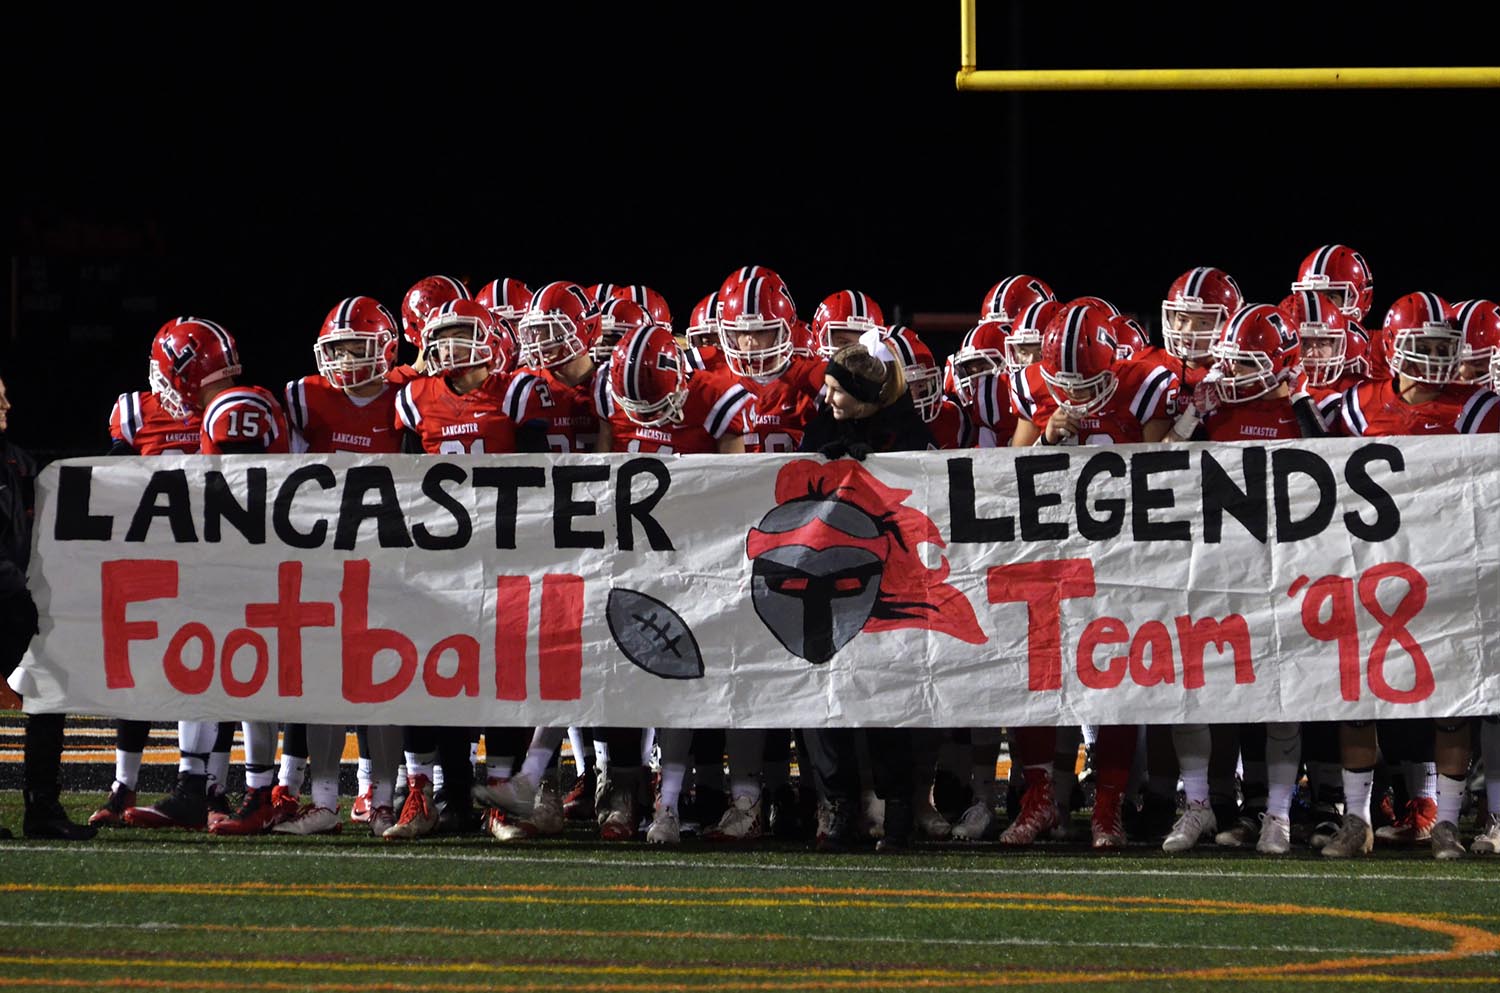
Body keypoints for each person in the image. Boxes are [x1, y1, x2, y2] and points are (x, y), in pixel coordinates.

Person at [796, 334, 932, 853]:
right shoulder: (822, 427)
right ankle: (837, 806)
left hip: (888, 582)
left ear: (866, 395)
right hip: (825, 582)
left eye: (836, 390)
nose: (827, 400)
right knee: (820, 699)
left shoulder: (907, 433)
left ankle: (898, 809)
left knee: (885, 701)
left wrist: (876, 469)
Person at [0, 374, 96, 840]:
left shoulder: (17, 462)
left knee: (50, 691)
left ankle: (43, 807)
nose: (7, 404)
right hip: (10, 597)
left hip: (16, 603)